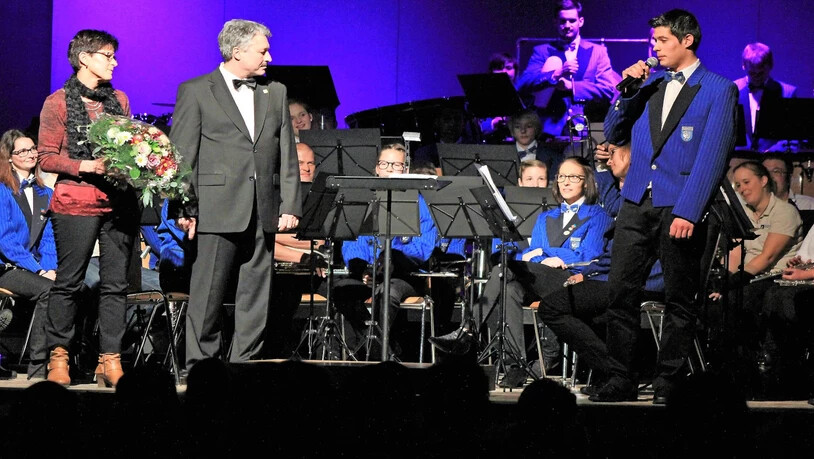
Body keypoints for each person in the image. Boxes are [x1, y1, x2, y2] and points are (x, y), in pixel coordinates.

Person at [594, 9, 739, 404]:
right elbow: (612, 132)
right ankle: (620, 378)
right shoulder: (650, 83)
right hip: (637, 200)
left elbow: (713, 156)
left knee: (679, 298)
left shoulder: (718, 88)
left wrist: (689, 211)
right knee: (619, 292)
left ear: (687, 40)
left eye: (661, 41)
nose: (653, 48)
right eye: (653, 40)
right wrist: (626, 89)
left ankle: (668, 381)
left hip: (679, 205)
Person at [170, 19, 302, 370]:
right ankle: (201, 368)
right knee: (208, 294)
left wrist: (290, 203)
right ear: (237, 51)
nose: (269, 58)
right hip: (215, 207)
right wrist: (186, 204)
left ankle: (245, 365)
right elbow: (182, 155)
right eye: (262, 51)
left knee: (256, 295)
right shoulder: (197, 90)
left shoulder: (275, 92)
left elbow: (286, 150)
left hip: (263, 206)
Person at [38, 29, 136, 387]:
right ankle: (58, 357)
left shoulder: (119, 99)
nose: (115, 62)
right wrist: (85, 166)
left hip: (116, 203)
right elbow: (46, 157)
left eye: (113, 56)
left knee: (116, 285)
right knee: (69, 282)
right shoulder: (57, 102)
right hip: (75, 202)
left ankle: (110, 359)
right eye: (107, 56)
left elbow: (128, 149)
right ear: (85, 58)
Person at [536, 139, 664, 394]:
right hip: (615, 277)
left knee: (553, 307)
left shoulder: (648, 197)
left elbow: (631, 253)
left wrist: (588, 273)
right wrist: (587, 273)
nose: (608, 158)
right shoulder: (626, 195)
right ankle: (616, 373)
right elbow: (616, 250)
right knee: (579, 308)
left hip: (640, 280)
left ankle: (616, 371)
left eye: (615, 153)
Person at [340, 144, 437, 359]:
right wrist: (363, 267)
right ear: (376, 168)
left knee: (387, 294)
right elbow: (352, 241)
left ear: (405, 169)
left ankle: (375, 354)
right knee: (342, 290)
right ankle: (382, 349)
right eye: (384, 164)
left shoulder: (420, 203)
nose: (390, 169)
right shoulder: (365, 201)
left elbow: (422, 249)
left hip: (403, 275)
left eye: (396, 165)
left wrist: (391, 255)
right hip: (370, 273)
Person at [0, 130, 57, 379]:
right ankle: (38, 366)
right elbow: (6, 240)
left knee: (70, 288)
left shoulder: (46, 193)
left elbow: (49, 239)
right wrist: (37, 269)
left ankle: (69, 357)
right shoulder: (2, 190)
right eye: (21, 151)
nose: (29, 154)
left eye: (32, 149)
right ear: (9, 158)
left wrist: (50, 267)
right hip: (7, 267)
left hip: (34, 266)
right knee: (49, 290)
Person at [516, 0, 619, 138]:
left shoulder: (598, 52)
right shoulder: (542, 51)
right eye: (562, 21)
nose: (567, 25)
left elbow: (607, 89)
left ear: (580, 21)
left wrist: (572, 87)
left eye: (572, 21)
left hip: (588, 128)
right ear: (555, 22)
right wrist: (555, 75)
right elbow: (523, 84)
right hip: (549, 129)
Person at [733, 43, 798, 152]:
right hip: (739, 159)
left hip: (775, 160)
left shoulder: (787, 92)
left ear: (771, 66)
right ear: (743, 66)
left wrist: (773, 152)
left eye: (761, 73)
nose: (756, 77)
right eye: (752, 73)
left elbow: (793, 136)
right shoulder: (732, 90)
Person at [480, 52, 519, 140]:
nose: (504, 72)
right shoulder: (483, 95)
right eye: (499, 68)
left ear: (515, 71)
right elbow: (476, 126)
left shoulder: (522, 96)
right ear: (492, 71)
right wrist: (493, 123)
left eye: (509, 68)